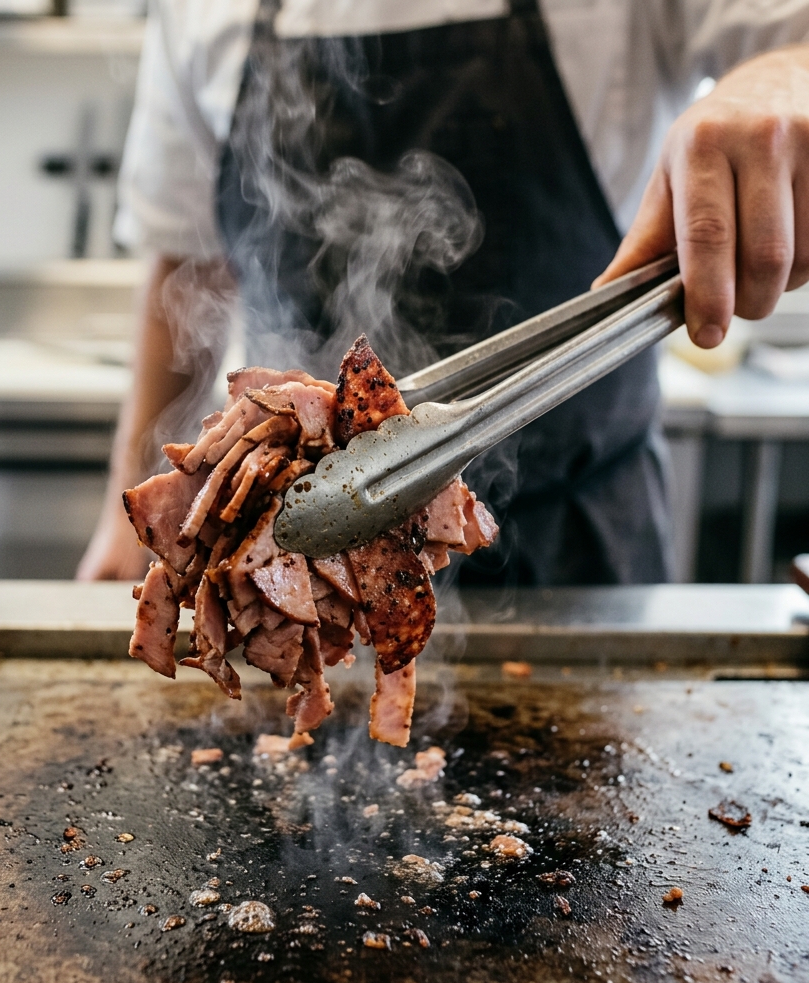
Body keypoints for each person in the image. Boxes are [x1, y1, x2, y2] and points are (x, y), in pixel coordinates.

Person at [78, 0, 809, 585]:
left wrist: (780, 81)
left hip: (576, 545)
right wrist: (131, 510)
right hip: (291, 552)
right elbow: (187, 260)